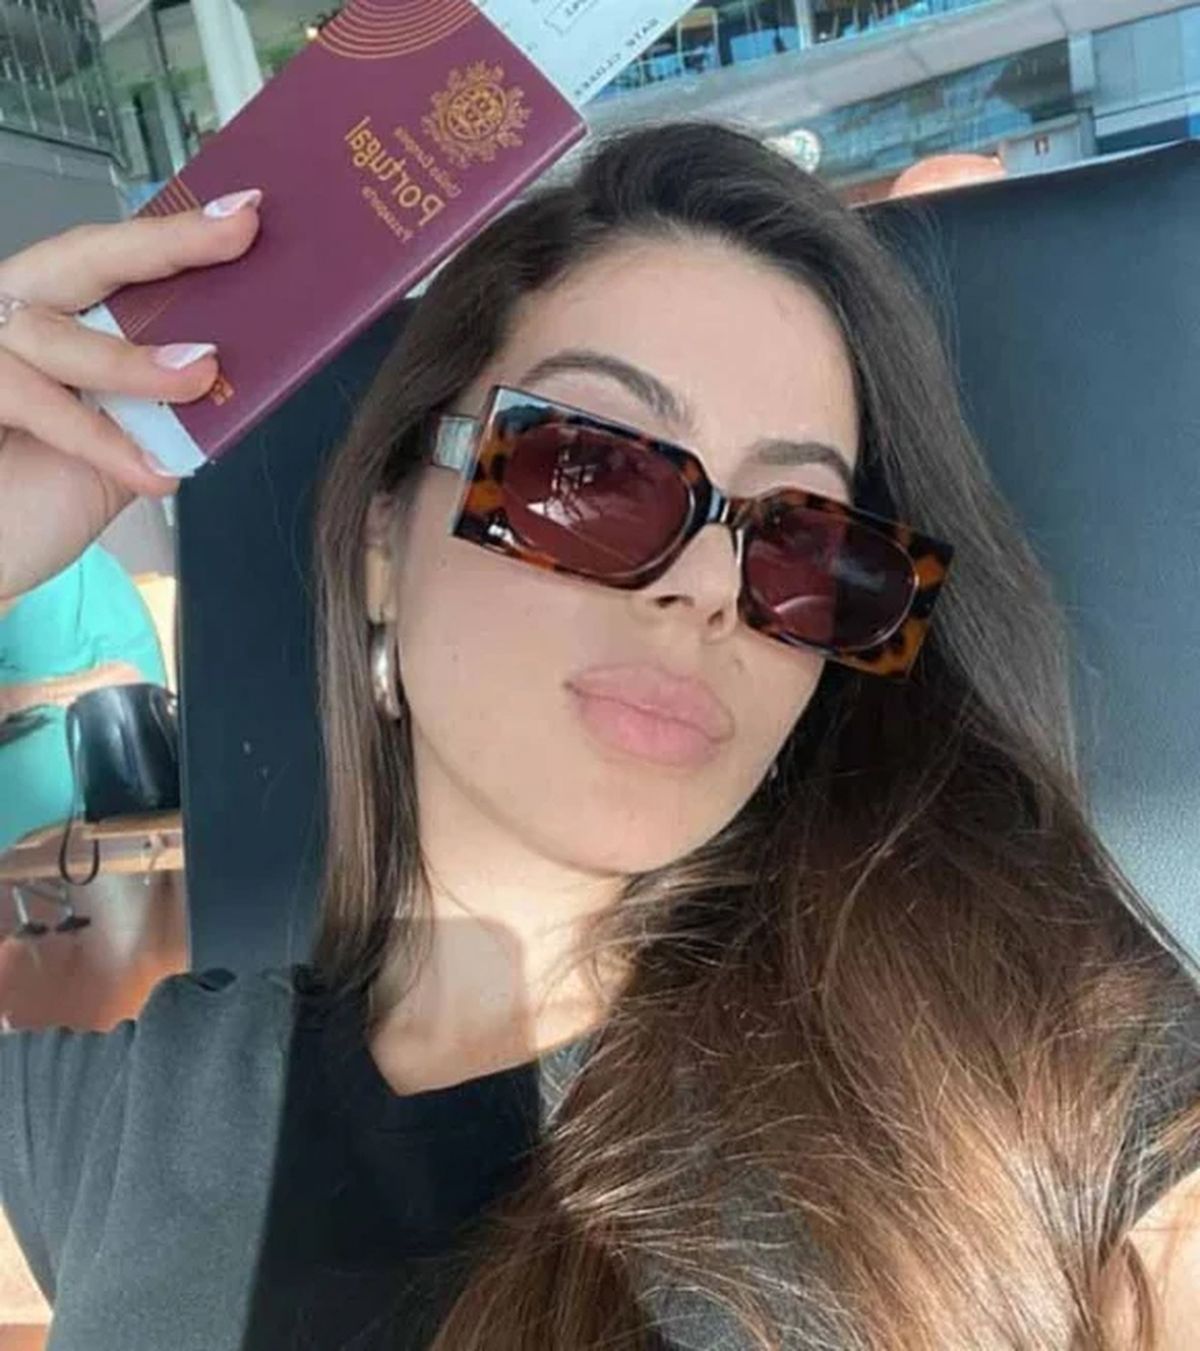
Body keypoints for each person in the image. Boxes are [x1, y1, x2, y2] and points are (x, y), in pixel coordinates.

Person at [0, 123, 1196, 1351]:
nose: (710, 589)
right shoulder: (128, 1111)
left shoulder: (1016, 1069)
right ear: (381, 547)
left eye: (803, 543)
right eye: (591, 472)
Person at [0, 541, 166, 856]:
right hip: (28, 710)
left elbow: (132, 680)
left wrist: (23, 696)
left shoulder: (66, 565)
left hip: (102, 722)